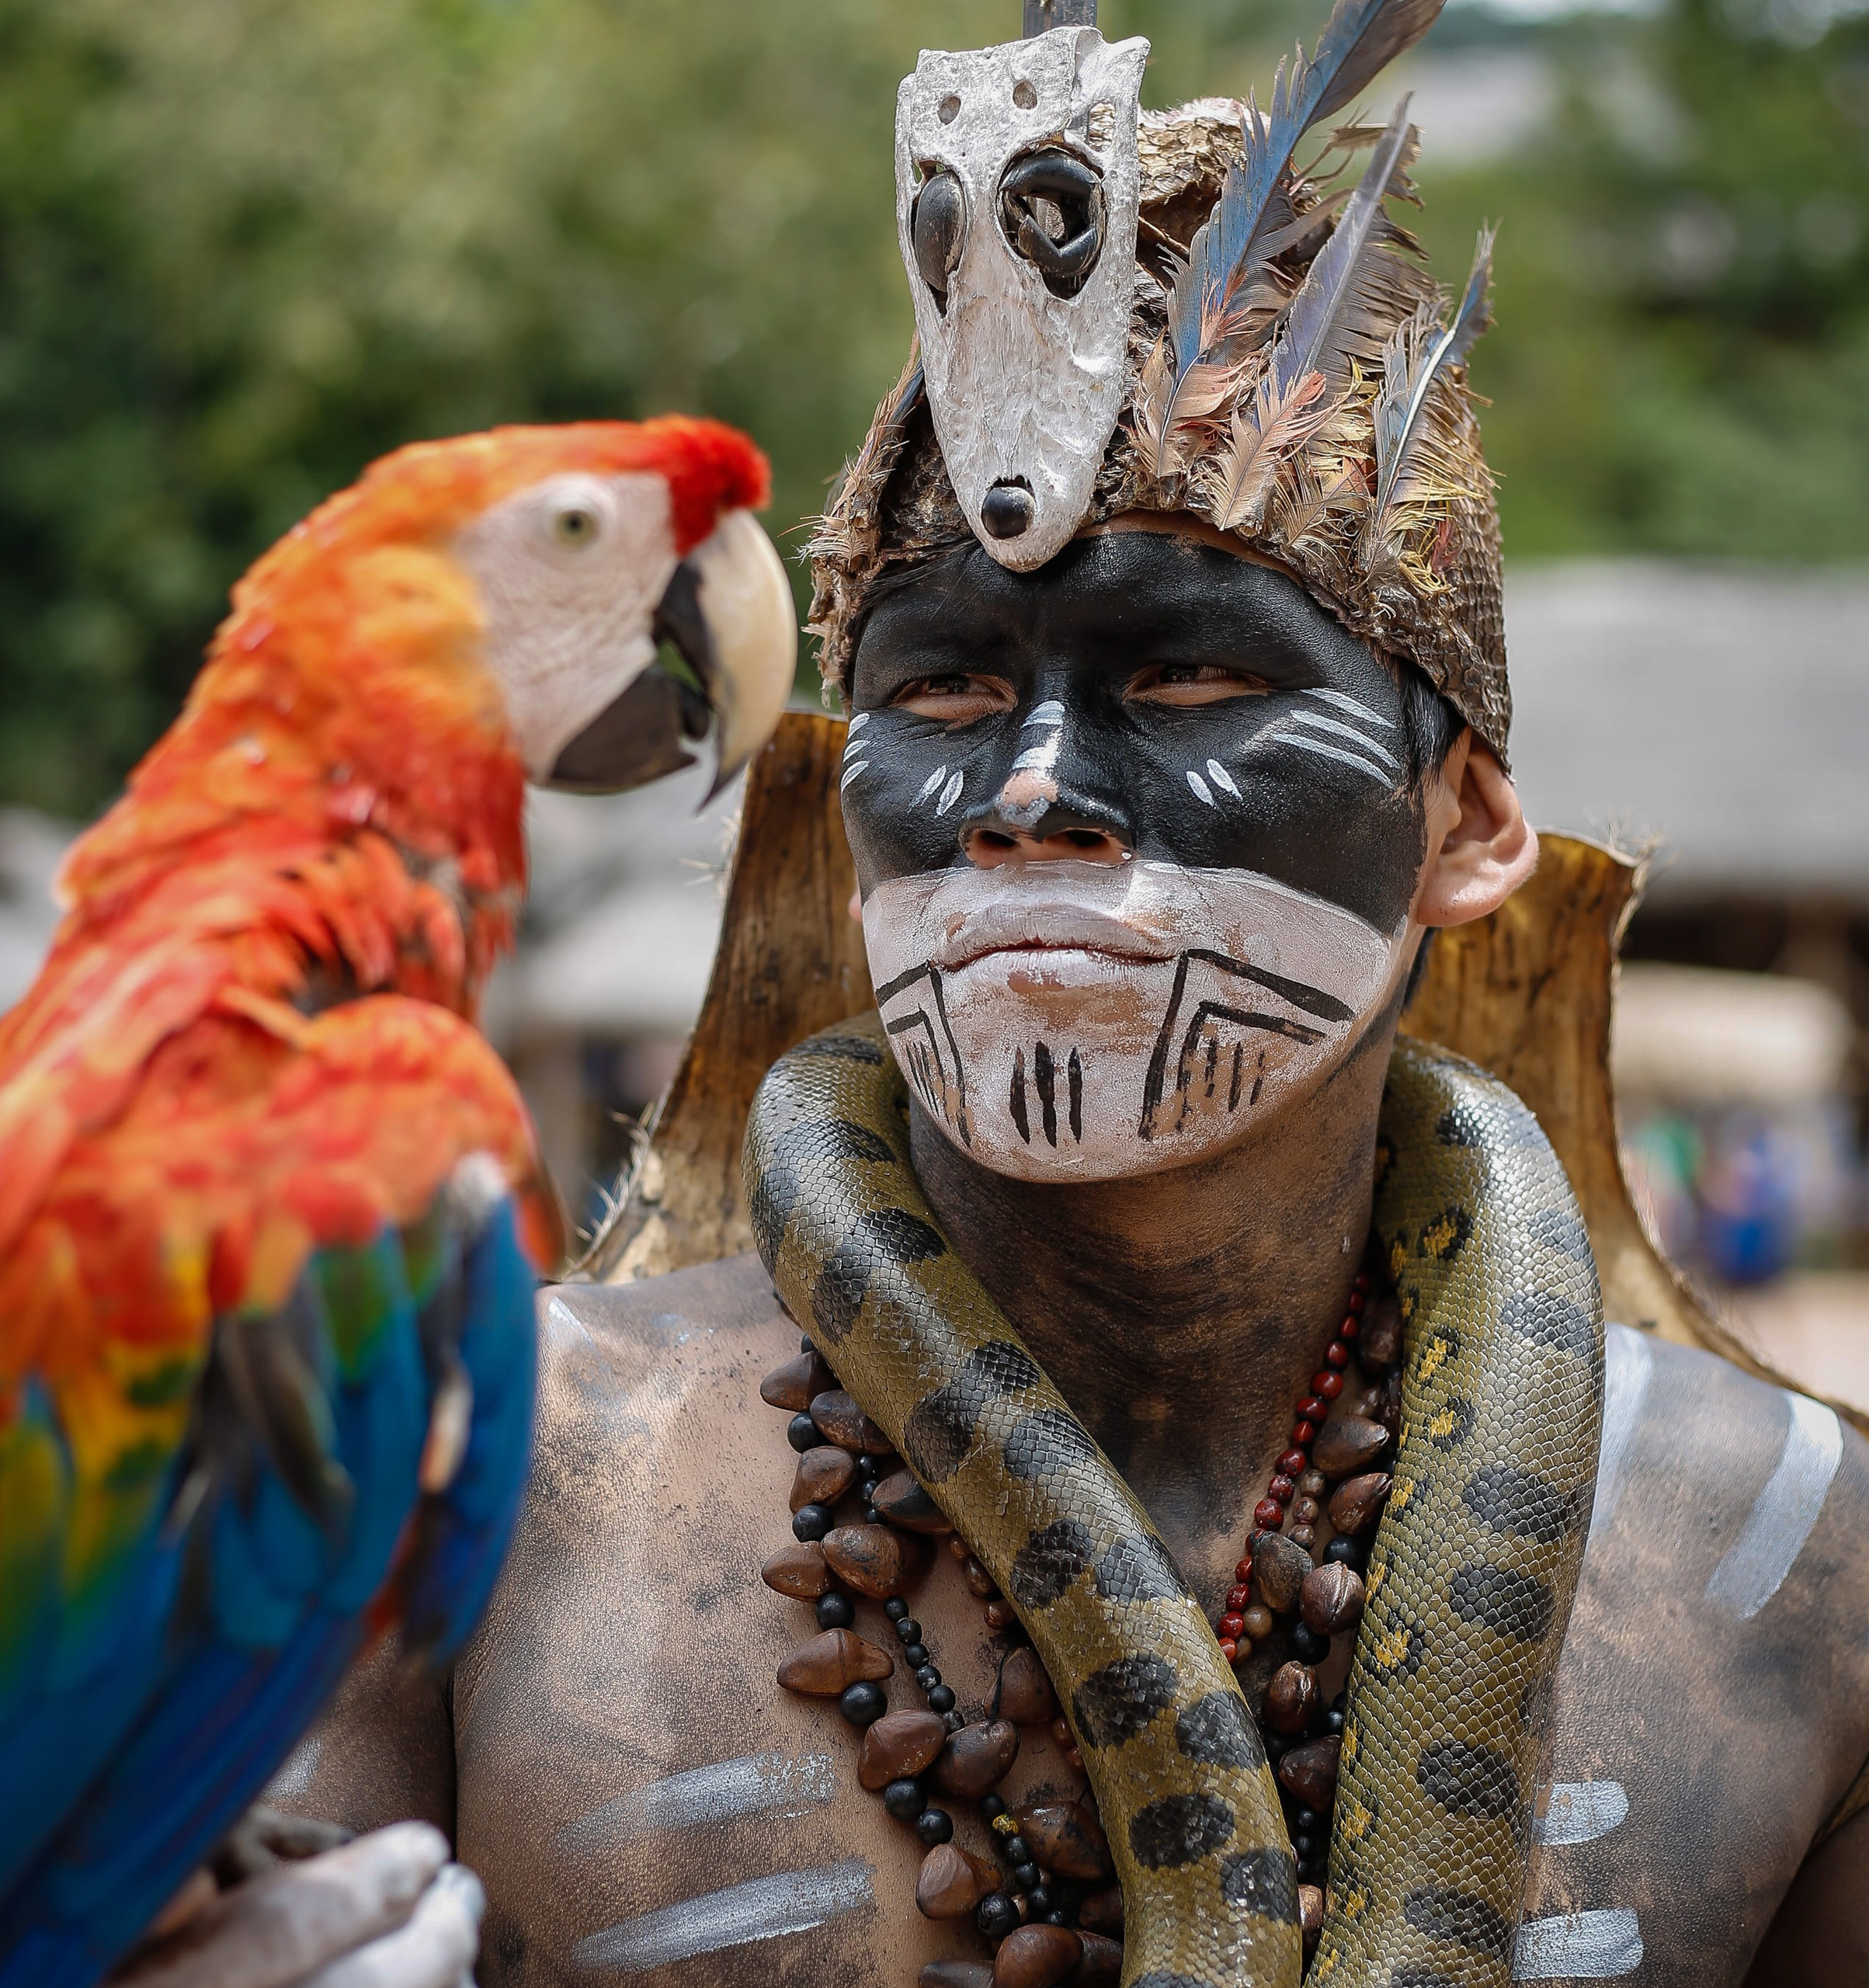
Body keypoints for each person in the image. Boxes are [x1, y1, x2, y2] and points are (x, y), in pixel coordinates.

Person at [151, 9, 1869, 1986]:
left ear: (1465, 823)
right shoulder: (452, 1462)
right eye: (943, 694)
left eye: (1195, 684)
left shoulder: (1789, 1563)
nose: (1032, 794)